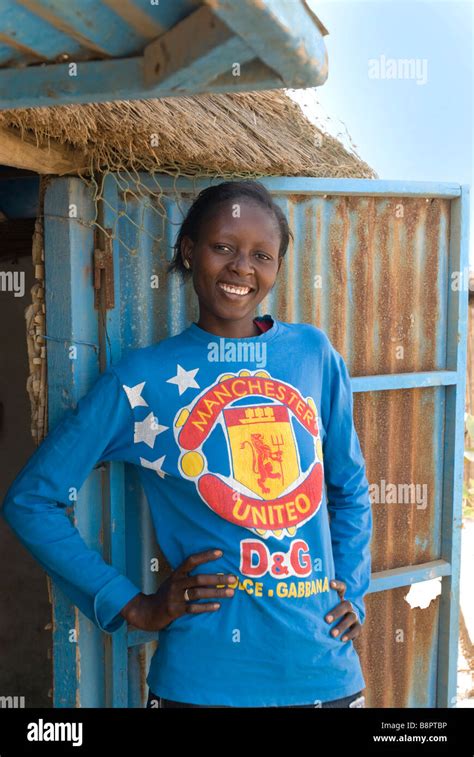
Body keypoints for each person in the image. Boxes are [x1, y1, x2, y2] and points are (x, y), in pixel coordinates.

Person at [2, 180, 372, 709]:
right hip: (201, 685)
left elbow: (350, 488)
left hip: (322, 675)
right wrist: (131, 604)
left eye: (261, 255)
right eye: (223, 247)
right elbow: (31, 501)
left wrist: (354, 589)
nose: (242, 267)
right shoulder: (143, 379)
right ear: (187, 251)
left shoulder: (312, 354)